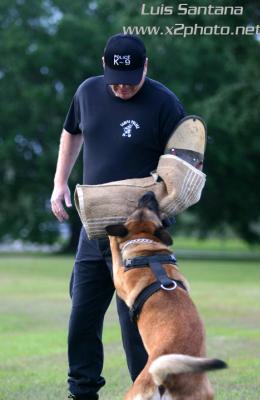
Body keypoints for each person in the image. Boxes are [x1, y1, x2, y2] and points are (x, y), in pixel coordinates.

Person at [51, 33, 185, 400]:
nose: (122, 88)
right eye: (115, 80)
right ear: (103, 65)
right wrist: (60, 182)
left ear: (146, 66)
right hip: (94, 230)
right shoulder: (88, 92)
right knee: (82, 320)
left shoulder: (165, 103)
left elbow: (183, 163)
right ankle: (82, 393)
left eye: (130, 81)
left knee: (138, 325)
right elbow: (71, 132)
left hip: (141, 237)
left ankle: (145, 394)